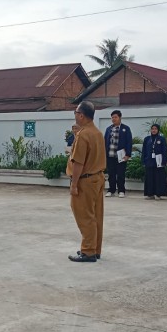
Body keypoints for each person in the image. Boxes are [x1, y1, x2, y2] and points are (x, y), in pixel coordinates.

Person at [67, 101, 106, 262]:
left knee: (84, 215)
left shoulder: (83, 135)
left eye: (76, 112)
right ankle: (95, 249)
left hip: (86, 180)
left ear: (81, 115)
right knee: (96, 215)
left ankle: (88, 251)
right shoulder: (97, 133)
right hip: (98, 178)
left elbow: (78, 163)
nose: (75, 115)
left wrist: (74, 184)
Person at [103, 110, 132, 198]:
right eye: (112, 117)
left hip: (121, 155)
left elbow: (129, 142)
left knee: (120, 174)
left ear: (120, 117)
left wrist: (128, 154)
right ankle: (111, 190)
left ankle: (121, 190)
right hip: (110, 155)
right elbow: (105, 142)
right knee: (111, 174)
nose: (113, 119)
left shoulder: (125, 129)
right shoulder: (109, 129)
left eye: (115, 117)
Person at [142, 124, 167, 200]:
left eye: (155, 129)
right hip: (149, 161)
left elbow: (164, 150)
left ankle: (158, 194)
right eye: (152, 129)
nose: (154, 130)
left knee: (158, 178)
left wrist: (164, 161)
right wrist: (143, 161)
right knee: (149, 178)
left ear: (158, 130)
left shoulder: (161, 139)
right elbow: (144, 151)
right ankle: (150, 194)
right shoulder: (147, 139)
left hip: (159, 161)